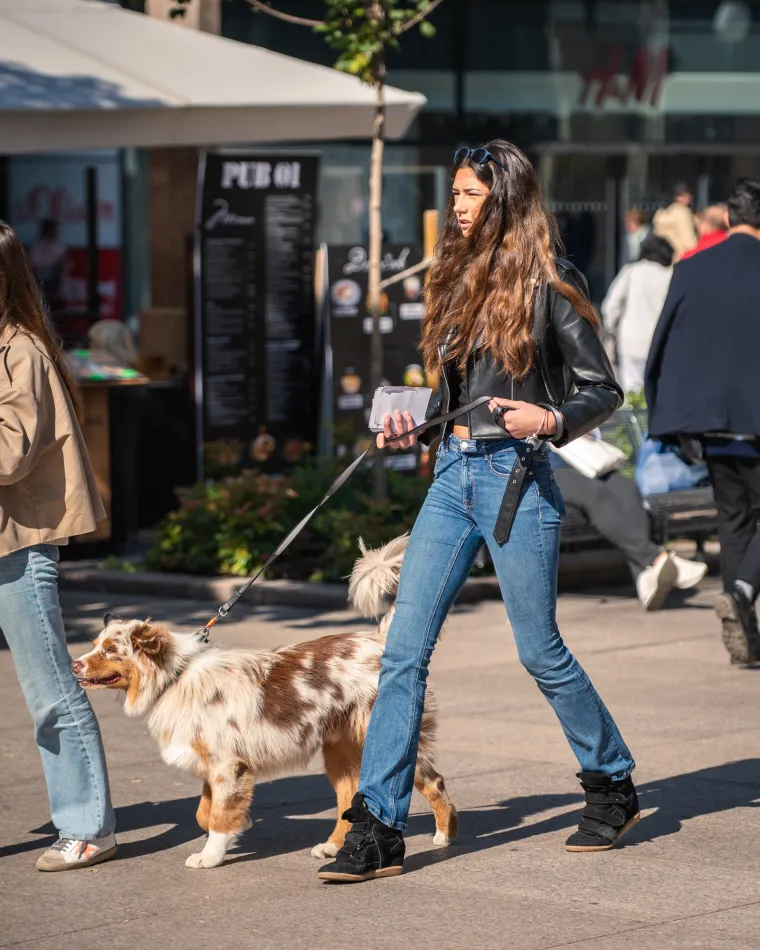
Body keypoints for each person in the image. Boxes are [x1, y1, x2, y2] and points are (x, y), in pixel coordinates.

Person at [318, 140, 639, 884]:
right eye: (456, 193)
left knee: (538, 650)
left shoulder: (550, 284)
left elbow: (602, 388)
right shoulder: (455, 275)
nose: (457, 207)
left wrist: (549, 420)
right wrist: (414, 419)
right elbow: (454, 395)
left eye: (470, 195)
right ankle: (378, 824)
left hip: (515, 479)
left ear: (507, 200)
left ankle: (611, 779)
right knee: (402, 652)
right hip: (451, 475)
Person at [0, 222, 116, 870]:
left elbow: (10, 454)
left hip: (18, 545)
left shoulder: (21, 352)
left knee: (50, 689)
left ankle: (88, 824)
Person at [646, 178, 760, 666]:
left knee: (733, 523)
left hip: (709, 421)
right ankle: (740, 590)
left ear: (731, 218)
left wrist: (665, 411)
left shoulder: (691, 266)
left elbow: (662, 342)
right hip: (756, 416)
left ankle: (745, 641)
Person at [550, 448, 707, 610]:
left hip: (582, 464)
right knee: (595, 492)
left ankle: (645, 578)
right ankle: (655, 558)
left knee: (625, 487)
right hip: (539, 470)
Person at [601, 234, 674, 394]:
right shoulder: (668, 276)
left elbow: (611, 305)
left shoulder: (631, 271)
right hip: (658, 343)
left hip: (629, 342)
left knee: (631, 392)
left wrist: (611, 328)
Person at [28, 219, 68, 313]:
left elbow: (62, 266)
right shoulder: (36, 245)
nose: (56, 232)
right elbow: (32, 264)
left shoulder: (59, 246)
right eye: (53, 230)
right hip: (38, 282)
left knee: (56, 311)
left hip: (55, 284)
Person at [652, 183, 697, 260]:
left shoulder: (664, 214)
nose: (689, 198)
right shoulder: (683, 212)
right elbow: (688, 240)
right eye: (685, 195)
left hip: (664, 258)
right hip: (682, 257)